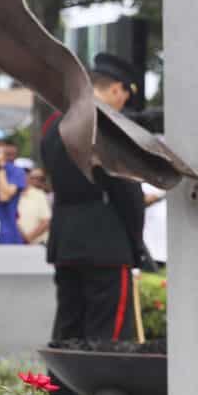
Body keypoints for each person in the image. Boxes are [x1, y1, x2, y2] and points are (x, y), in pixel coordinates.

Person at [40, 52, 149, 344]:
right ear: (115, 89)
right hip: (107, 243)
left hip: (65, 241)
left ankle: (62, 390)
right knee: (108, 339)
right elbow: (127, 191)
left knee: (67, 331)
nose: (122, 105)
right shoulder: (109, 124)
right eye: (123, 96)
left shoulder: (54, 123)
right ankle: (102, 392)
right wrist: (135, 244)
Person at [17, 164, 52, 244]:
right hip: (15, 245)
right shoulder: (8, 195)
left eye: (27, 173)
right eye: (20, 172)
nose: (23, 176)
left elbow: (46, 221)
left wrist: (27, 239)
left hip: (37, 245)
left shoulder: (40, 194)